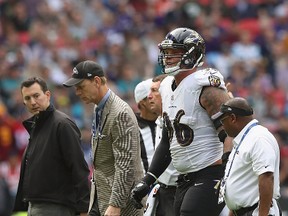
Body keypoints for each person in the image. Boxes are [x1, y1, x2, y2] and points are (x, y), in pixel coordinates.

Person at [131, 27, 232, 216]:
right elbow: (168, 140)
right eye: (166, 53)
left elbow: (230, 134)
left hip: (210, 172)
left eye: (174, 53)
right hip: (184, 179)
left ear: (192, 55)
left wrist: (227, 172)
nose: (168, 58)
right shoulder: (166, 86)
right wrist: (148, 180)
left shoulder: (207, 87)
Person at [63, 60, 144, 216]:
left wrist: (115, 204)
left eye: (81, 87)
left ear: (97, 81)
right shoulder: (98, 107)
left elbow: (125, 165)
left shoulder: (120, 113)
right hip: (102, 197)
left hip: (123, 205)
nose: (77, 92)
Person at [13, 77, 90, 216]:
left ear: (47, 95)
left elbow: (79, 168)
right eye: (28, 98)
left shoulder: (62, 124)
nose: (33, 102)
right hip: (35, 206)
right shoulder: (37, 126)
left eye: (36, 96)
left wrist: (84, 209)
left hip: (56, 207)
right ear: (23, 102)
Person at [213, 97, 282, 216]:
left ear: (233, 118)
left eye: (222, 121)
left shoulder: (259, 138)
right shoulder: (244, 139)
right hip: (243, 212)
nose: (222, 126)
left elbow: (266, 177)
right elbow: (241, 183)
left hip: (257, 212)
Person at [144, 74, 179, 216]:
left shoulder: (178, 119)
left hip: (178, 191)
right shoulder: (160, 120)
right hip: (162, 191)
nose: (149, 96)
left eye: (154, 90)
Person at [134, 78, 157, 174]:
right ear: (142, 103)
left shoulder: (166, 120)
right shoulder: (132, 127)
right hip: (145, 186)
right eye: (151, 97)